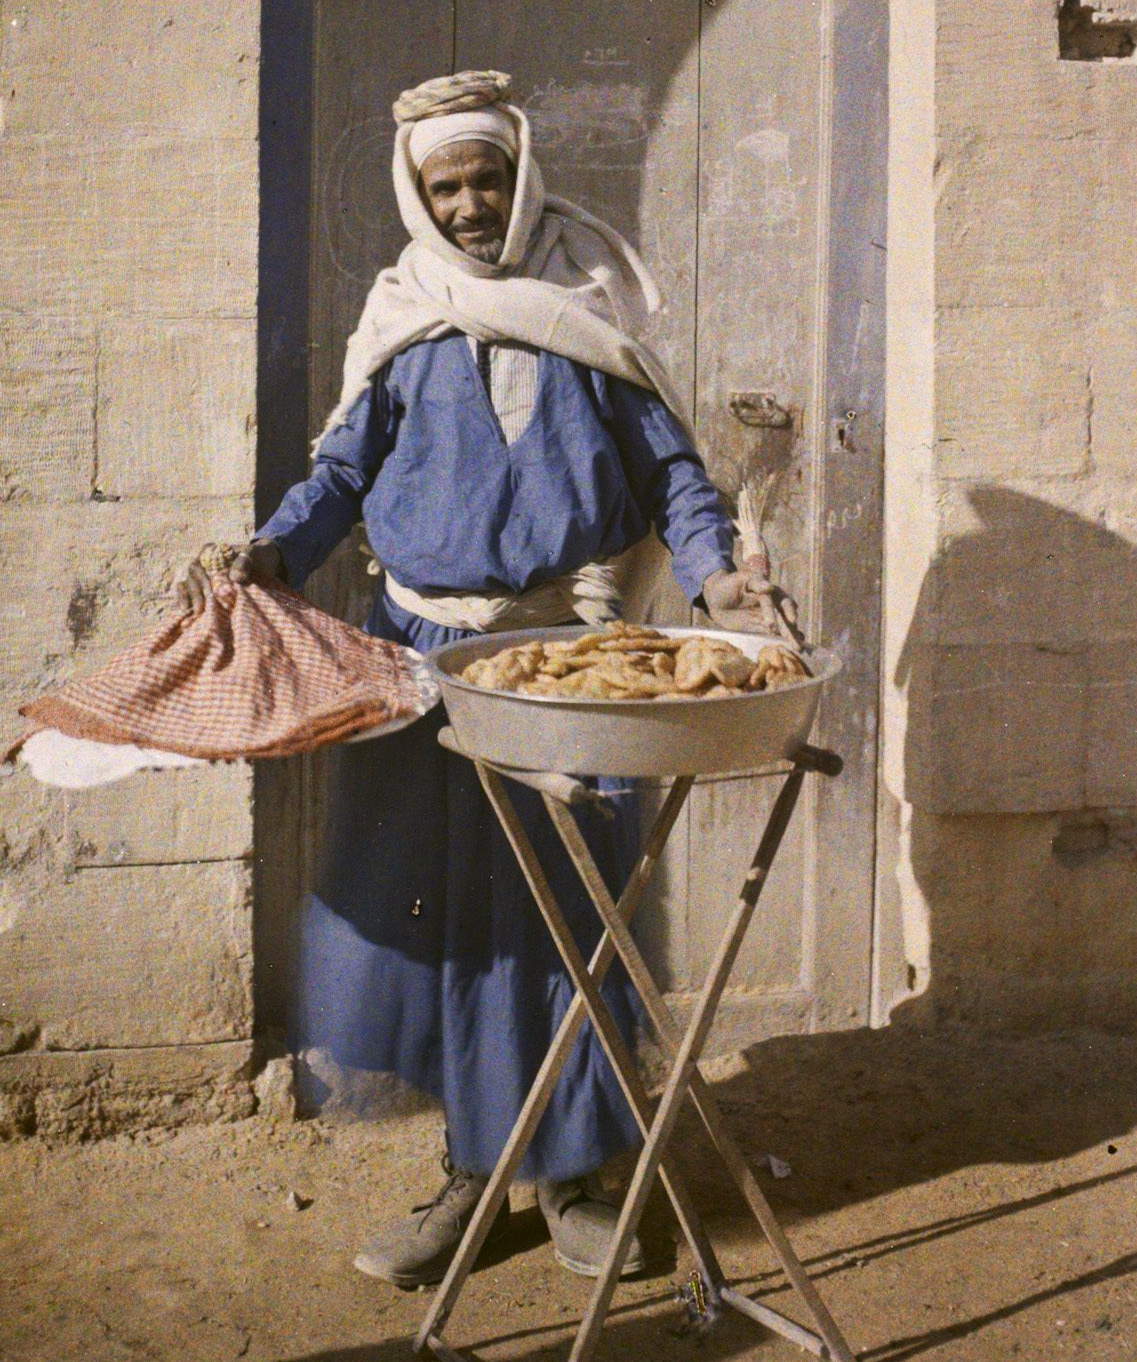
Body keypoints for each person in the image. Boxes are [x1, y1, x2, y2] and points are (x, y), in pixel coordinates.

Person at [174, 71, 793, 1289]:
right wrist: (267, 553)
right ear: (418, 193)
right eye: (446, 185)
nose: (469, 206)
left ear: (522, 177)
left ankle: (568, 1175)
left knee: (564, 924)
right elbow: (339, 477)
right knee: (451, 927)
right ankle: (472, 1174)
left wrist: (719, 577)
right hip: (420, 660)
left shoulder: (586, 301)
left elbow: (673, 475)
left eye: (487, 179)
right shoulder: (406, 315)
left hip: (567, 659)